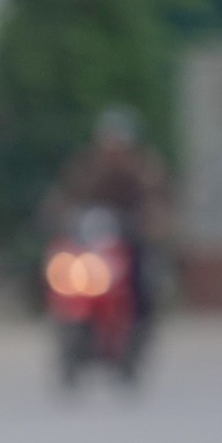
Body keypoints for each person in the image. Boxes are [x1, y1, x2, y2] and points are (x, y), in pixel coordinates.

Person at [44, 106, 172, 326]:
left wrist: (153, 223)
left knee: (143, 273)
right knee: (64, 266)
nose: (113, 149)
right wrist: (55, 216)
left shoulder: (144, 167)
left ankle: (141, 318)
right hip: (93, 236)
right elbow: (65, 195)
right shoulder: (87, 165)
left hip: (128, 235)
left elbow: (156, 198)